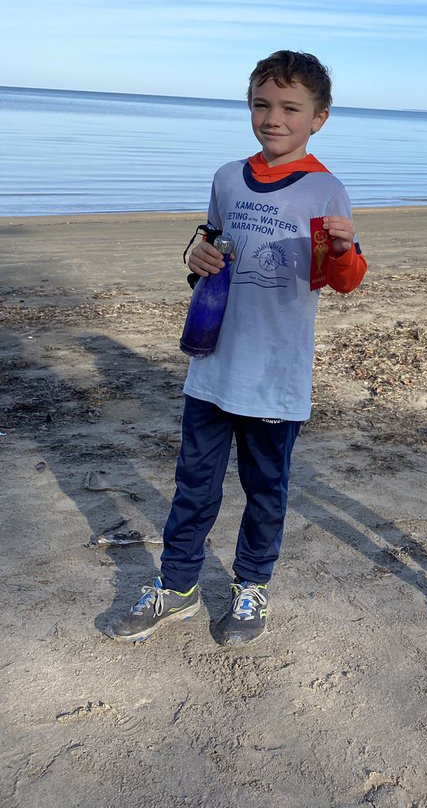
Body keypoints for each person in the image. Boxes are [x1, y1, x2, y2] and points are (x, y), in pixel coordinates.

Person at [108, 50, 367, 646]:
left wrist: (346, 249)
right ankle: (177, 587)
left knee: (265, 488)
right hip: (213, 365)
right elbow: (205, 250)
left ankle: (251, 588)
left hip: (277, 375)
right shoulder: (227, 177)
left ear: (318, 118)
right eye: (262, 105)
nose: (273, 118)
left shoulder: (327, 191)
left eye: (290, 109)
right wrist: (194, 260)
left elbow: (344, 280)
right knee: (193, 481)